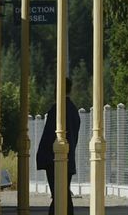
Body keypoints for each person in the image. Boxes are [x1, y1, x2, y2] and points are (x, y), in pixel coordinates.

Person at [36, 77, 81, 215]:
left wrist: (42, 157)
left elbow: (49, 136)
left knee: (59, 196)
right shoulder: (73, 110)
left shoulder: (57, 110)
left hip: (54, 159)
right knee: (63, 194)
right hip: (68, 158)